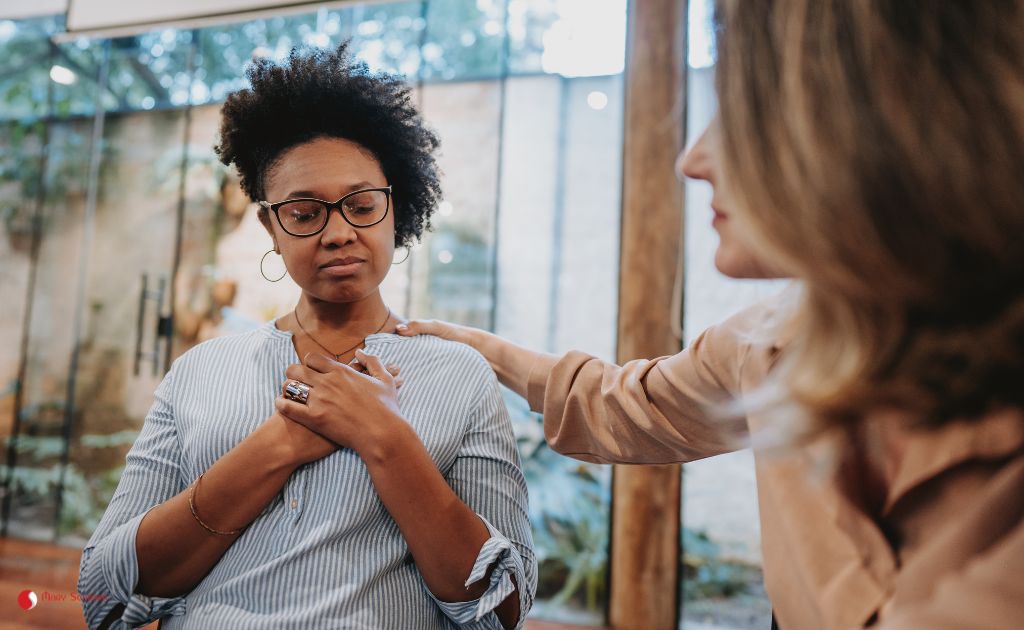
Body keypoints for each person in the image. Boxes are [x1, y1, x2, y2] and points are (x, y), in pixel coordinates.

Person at [399, 1, 1024, 628]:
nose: (691, 160)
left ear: (877, 128)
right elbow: (627, 405)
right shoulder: (766, 342)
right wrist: (478, 349)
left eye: (742, 117)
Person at [78, 44, 535, 630]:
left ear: (397, 209)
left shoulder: (459, 374)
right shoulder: (202, 370)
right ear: (271, 225)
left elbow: (504, 606)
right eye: (303, 214)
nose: (339, 232)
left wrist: (385, 439)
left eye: (362, 204)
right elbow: (101, 593)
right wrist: (279, 445)